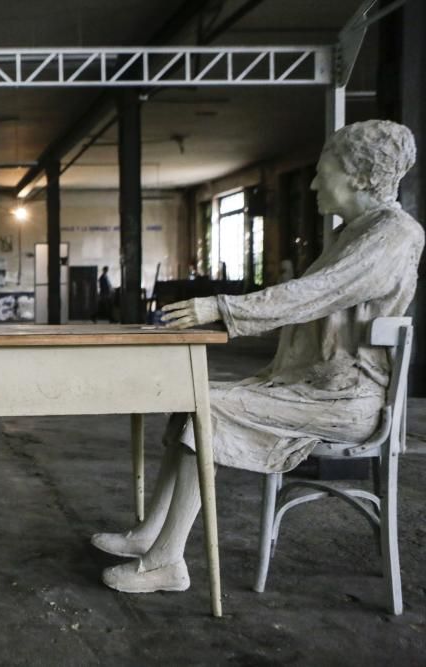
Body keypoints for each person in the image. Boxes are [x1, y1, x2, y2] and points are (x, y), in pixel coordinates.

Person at [91, 120, 422, 594]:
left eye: (321, 171)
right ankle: (150, 535)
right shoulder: (354, 232)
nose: (311, 183)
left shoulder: (393, 235)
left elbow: (311, 295)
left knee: (207, 410)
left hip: (346, 401)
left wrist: (221, 308)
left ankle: (168, 562)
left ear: (357, 175)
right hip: (313, 386)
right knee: (191, 399)